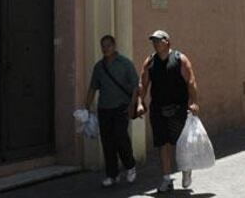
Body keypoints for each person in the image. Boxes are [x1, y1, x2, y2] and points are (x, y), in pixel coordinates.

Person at [135, 30, 199, 193]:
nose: (155, 44)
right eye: (153, 41)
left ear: (167, 42)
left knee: (180, 142)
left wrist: (193, 102)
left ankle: (185, 170)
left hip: (178, 108)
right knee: (162, 144)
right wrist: (140, 103)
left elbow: (191, 81)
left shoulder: (179, 59)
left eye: (158, 41)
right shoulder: (150, 61)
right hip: (158, 109)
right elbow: (143, 84)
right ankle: (166, 179)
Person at [85, 34, 139, 187]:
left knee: (121, 138)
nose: (105, 48)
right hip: (104, 109)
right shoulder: (99, 67)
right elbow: (93, 87)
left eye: (108, 45)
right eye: (103, 46)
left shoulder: (125, 64)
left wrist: (132, 105)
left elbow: (136, 86)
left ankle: (130, 166)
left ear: (114, 46)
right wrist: (86, 107)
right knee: (107, 142)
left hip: (121, 108)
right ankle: (112, 174)